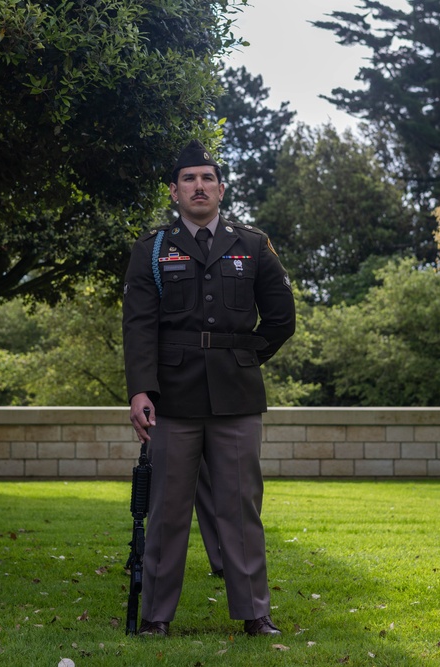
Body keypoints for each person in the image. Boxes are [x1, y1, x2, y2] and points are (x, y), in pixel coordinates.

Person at [122, 139, 295, 636]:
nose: (199, 186)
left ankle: (254, 613)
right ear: (174, 191)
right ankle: (156, 616)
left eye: (208, 178)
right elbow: (138, 328)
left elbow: (282, 318)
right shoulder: (151, 249)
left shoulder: (254, 244)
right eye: (189, 179)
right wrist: (140, 391)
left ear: (221, 188)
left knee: (241, 508)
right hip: (172, 397)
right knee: (167, 510)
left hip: (237, 397)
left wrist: (243, 356)